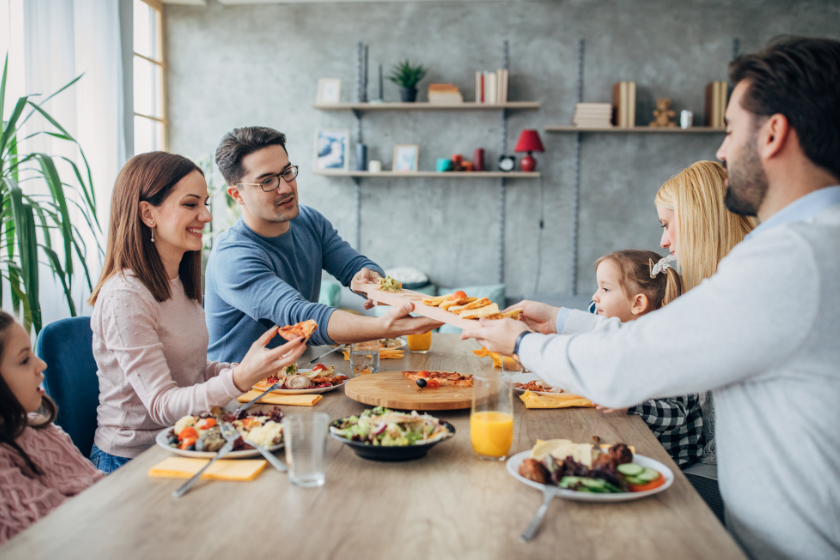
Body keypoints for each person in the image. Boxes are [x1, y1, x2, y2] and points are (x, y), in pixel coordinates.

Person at [462, 37, 840, 560]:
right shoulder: (810, 245)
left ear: (774, 133)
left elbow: (628, 362)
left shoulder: (793, 259)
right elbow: (662, 341)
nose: (723, 150)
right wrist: (562, 321)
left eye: (731, 130)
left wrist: (523, 343)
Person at [88, 152, 307, 473]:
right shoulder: (126, 295)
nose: (206, 216)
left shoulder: (178, 280)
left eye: (206, 204)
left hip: (187, 442)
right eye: (191, 205)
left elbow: (189, 369)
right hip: (131, 462)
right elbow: (162, 405)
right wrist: (239, 378)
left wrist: (252, 370)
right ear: (148, 214)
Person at [205, 127, 440, 364]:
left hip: (298, 376)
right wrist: (384, 326)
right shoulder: (233, 256)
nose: (286, 187)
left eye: (287, 172)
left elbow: (354, 265)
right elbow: (299, 318)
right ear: (237, 195)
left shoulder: (308, 220)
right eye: (267, 181)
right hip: (239, 394)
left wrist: (369, 278)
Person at [589, 249, 703, 468]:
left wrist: (629, 405)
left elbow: (675, 414)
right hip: (632, 441)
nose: (595, 296)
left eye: (605, 289)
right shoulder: (618, 337)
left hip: (669, 459)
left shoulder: (668, 349)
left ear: (638, 304)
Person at [0, 311, 104, 543]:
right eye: (25, 360)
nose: (41, 365)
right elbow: (51, 535)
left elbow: (97, 486)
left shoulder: (42, 428)